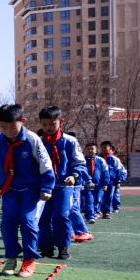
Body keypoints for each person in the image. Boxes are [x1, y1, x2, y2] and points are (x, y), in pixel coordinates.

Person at [0, 105, 54, 278]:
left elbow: (46, 165)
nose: (8, 131)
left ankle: (29, 259)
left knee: (28, 221)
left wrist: (47, 187)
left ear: (22, 122)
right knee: (8, 223)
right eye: (3, 127)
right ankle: (11, 257)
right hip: (9, 190)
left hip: (31, 190)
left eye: (12, 127)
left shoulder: (32, 139)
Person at [36, 107, 87, 261]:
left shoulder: (70, 141)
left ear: (61, 122)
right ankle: (45, 247)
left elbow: (79, 163)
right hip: (42, 186)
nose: (48, 128)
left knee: (61, 216)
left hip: (63, 186)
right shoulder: (36, 141)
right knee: (42, 217)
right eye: (44, 125)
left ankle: (63, 247)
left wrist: (74, 175)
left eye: (52, 124)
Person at [81, 142, 111, 225]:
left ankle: (94, 213)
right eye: (88, 149)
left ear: (96, 150)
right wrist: (81, 184)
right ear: (84, 150)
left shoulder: (101, 160)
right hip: (86, 185)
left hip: (98, 185)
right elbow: (80, 173)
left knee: (97, 199)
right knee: (88, 200)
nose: (90, 150)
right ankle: (90, 216)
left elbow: (105, 172)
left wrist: (105, 183)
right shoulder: (82, 160)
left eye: (92, 149)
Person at [100, 141, 126, 218]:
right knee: (98, 196)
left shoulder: (114, 159)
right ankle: (97, 211)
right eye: (102, 147)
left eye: (106, 147)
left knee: (109, 196)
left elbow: (118, 170)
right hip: (100, 181)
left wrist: (118, 181)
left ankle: (107, 211)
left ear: (110, 148)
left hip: (111, 181)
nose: (104, 149)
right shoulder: (97, 158)